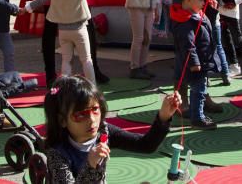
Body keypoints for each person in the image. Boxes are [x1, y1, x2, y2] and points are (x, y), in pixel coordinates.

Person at [43, 75, 181, 184]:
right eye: (80, 114)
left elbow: (146, 145)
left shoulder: (104, 132)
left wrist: (164, 116)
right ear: (62, 120)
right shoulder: (57, 153)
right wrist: (90, 166)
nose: (91, 120)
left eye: (95, 110)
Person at [24, 0, 105, 84]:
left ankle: (63, 88)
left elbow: (41, 0)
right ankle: (93, 87)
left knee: (66, 60)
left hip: (63, 31)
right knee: (86, 60)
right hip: (79, 30)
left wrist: (27, 7)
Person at [170, 0, 218, 130]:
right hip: (195, 65)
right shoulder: (184, 21)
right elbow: (188, 45)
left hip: (200, 60)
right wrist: (194, 62)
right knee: (199, 90)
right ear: (189, 0)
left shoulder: (193, 13)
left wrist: (211, 11)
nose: (204, 2)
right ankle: (198, 118)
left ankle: (195, 112)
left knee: (199, 89)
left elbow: (205, 25)